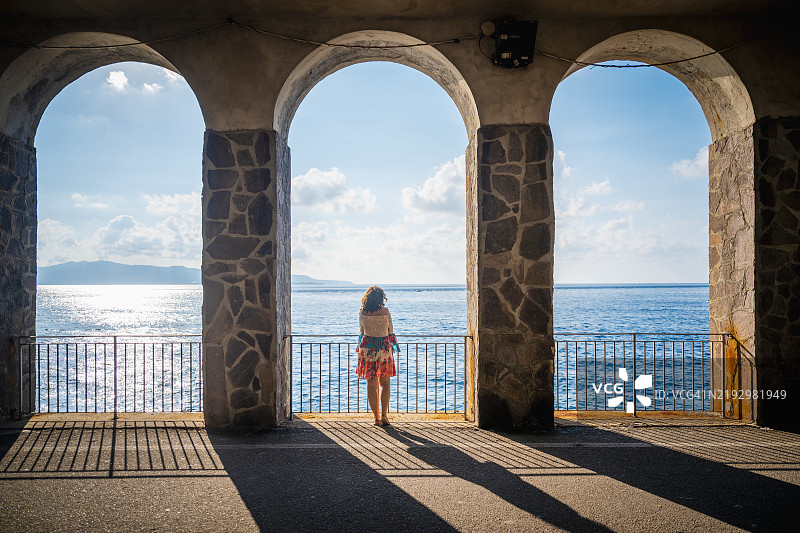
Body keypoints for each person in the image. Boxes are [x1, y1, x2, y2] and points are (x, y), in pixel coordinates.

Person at [356, 286, 399, 426]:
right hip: (383, 349)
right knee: (385, 383)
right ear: (381, 298)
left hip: (367, 349)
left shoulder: (363, 312)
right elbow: (390, 330)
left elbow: (362, 330)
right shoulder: (385, 311)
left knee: (371, 383)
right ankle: (385, 415)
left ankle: (376, 418)